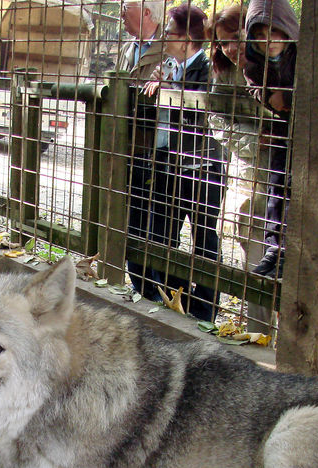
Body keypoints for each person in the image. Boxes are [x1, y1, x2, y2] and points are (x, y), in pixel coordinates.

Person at [142, 3, 225, 321]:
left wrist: (169, 91)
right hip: (168, 162)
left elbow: (204, 111)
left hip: (202, 166)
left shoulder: (207, 68)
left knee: (204, 236)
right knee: (163, 235)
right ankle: (174, 302)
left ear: (187, 38)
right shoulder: (167, 65)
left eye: (169, 33)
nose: (164, 37)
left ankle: (204, 311)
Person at [207, 3, 275, 331]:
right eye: (222, 42)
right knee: (255, 254)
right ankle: (259, 335)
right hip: (250, 179)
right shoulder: (225, 74)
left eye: (235, 37)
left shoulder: (278, 65)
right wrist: (251, 141)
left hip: (289, 177)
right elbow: (215, 117)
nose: (230, 48)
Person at [117, 1, 171, 300]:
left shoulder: (169, 46)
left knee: (158, 225)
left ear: (147, 13)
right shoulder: (128, 49)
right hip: (130, 147)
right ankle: (140, 287)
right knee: (132, 220)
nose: (122, 14)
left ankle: (157, 290)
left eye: (127, 8)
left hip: (158, 150)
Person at [242, 0, 298, 278]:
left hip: (311, 138)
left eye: (274, 33)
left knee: (300, 192)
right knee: (277, 188)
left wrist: (287, 97)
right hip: (280, 134)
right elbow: (258, 91)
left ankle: (292, 252)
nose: (269, 41)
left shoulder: (303, 55)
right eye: (261, 36)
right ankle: (274, 250)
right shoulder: (254, 66)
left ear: (287, 30)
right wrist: (271, 97)